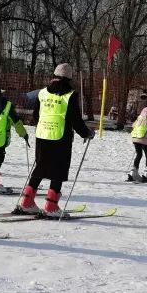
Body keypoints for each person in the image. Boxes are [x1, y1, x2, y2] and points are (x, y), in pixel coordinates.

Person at [18, 64, 93, 216]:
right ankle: (51, 206)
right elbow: (75, 119)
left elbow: (36, 115)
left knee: (40, 167)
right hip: (60, 136)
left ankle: (26, 202)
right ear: (69, 78)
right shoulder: (70, 94)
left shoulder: (43, 93)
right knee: (58, 170)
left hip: (42, 134)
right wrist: (86, 133)